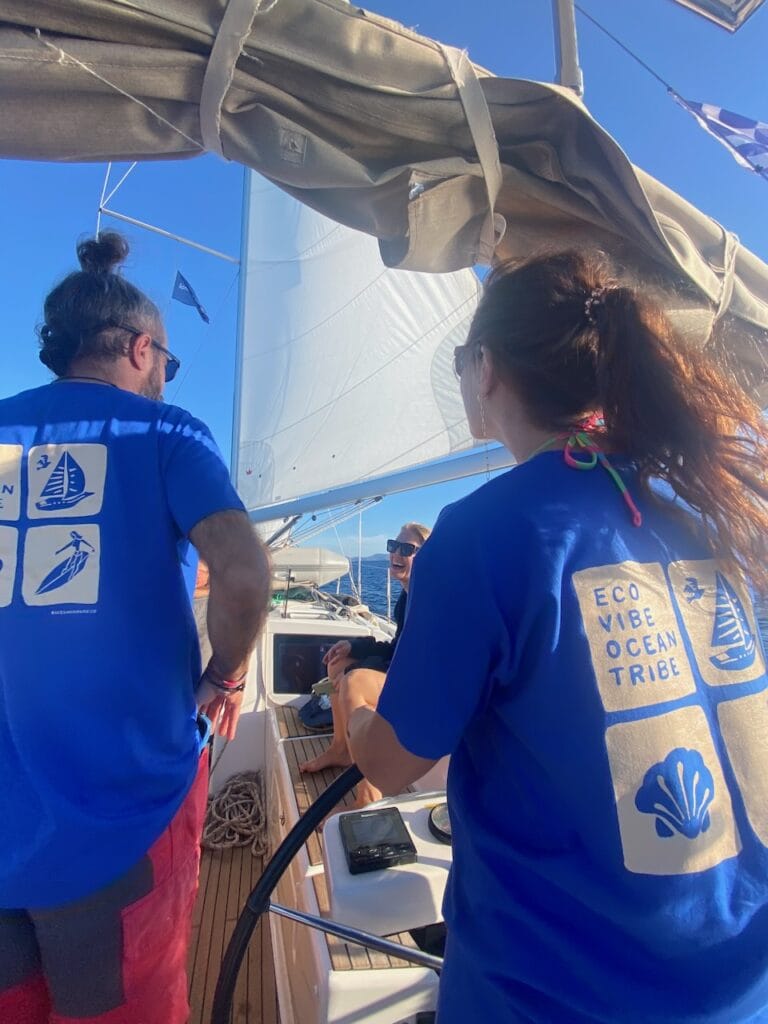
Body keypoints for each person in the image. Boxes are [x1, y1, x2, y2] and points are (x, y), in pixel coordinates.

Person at [342, 250, 768, 1023]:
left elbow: (392, 765)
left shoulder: (479, 534)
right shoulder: (702, 510)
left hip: (559, 999)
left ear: (487, 369)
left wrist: (355, 692)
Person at [0, 233, 271, 1024]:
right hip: (123, 819)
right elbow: (245, 574)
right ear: (143, 349)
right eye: (169, 366)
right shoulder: (168, 434)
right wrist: (223, 676)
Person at [300, 522, 430, 806]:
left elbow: (415, 663)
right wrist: (353, 648)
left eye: (407, 549)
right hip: (405, 673)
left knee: (354, 682)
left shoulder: (429, 599)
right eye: (392, 546)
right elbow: (397, 648)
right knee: (337, 663)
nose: (396, 553)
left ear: (427, 557)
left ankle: (369, 794)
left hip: (423, 688)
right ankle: (340, 749)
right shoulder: (408, 597)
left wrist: (357, 670)